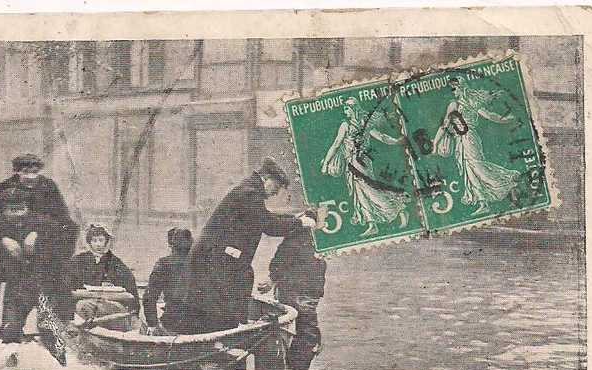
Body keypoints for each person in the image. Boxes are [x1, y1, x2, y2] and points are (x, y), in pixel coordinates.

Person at [185, 157, 318, 333]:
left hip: (215, 259)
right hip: (213, 262)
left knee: (238, 285)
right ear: (266, 179)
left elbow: (265, 217)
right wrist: (301, 224)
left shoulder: (248, 190)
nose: (274, 193)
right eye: (276, 188)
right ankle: (228, 336)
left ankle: (230, 331)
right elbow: (268, 225)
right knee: (222, 306)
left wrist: (296, 219)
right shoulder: (250, 194)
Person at [0, 153, 75, 338]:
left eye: (34, 172)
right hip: (10, 249)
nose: (30, 177)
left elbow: (65, 222)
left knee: (58, 272)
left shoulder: (48, 187)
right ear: (17, 171)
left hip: (44, 248)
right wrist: (2, 239)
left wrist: (38, 234)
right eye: (25, 172)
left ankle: (59, 322)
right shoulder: (5, 188)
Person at [0, 190, 75, 359]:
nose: (16, 214)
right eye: (12, 209)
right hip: (17, 287)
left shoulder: (43, 223)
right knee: (9, 329)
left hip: (45, 285)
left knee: (49, 329)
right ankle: (12, 369)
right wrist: (3, 241)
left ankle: (62, 364)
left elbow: (65, 234)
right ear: (4, 210)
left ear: (27, 209)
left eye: (20, 209)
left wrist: (37, 236)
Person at [320, 97, 410, 237]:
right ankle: (372, 224)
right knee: (361, 193)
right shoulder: (356, 124)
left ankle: (396, 209)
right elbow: (337, 144)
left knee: (369, 191)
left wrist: (397, 141)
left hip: (360, 164)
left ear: (354, 109)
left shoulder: (353, 125)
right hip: (354, 164)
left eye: (347, 108)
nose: (345, 111)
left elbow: (379, 137)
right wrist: (397, 141)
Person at [432, 76, 520, 217]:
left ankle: (507, 182)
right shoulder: (453, 105)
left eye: (455, 88)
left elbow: (489, 115)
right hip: (459, 140)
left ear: (461, 87)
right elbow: (444, 125)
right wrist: (435, 143)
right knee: (469, 170)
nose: (453, 92)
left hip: (469, 138)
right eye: (452, 89)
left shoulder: (470, 102)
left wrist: (508, 119)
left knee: (477, 167)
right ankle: (483, 202)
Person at [267, 218, 327, 370]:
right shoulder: (298, 238)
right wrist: (272, 279)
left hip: (306, 295)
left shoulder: (317, 241)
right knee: (308, 336)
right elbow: (279, 261)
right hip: (296, 294)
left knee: (306, 336)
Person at [65, 224, 140, 331]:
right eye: (94, 241)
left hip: (110, 303)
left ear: (106, 241)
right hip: (85, 302)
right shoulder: (78, 261)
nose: (98, 244)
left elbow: (130, 286)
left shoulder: (115, 263)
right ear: (90, 242)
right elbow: (68, 284)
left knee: (118, 312)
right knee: (83, 306)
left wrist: (135, 312)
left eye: (101, 240)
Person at [141, 227, 194, 335]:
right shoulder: (203, 263)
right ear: (191, 243)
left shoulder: (164, 264)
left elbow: (148, 298)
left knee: (144, 328)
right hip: (202, 324)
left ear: (171, 245)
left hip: (173, 323)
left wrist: (152, 324)